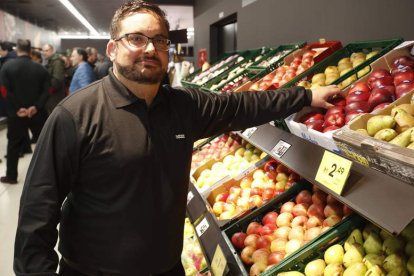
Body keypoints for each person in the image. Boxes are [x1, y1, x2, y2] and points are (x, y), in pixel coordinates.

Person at [13, 1, 341, 275]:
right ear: (112, 49)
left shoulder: (183, 106)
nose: (150, 49)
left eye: (159, 40)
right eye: (136, 39)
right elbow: (37, 214)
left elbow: (241, 104)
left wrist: (305, 95)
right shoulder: (75, 115)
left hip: (167, 268)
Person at [0, 39, 49, 184]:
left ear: (17, 50)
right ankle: (45, 178)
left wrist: (17, 108)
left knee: (13, 144)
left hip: (16, 114)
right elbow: (48, 90)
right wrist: (36, 107)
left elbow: (3, 90)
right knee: (43, 145)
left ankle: (11, 176)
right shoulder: (41, 69)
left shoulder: (7, 67)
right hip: (37, 114)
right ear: (30, 51)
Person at [42, 43, 66, 115]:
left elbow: (57, 80)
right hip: (51, 98)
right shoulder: (51, 62)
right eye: (43, 51)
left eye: (46, 51)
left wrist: (46, 91)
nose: (44, 53)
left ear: (52, 51)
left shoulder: (57, 62)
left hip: (55, 98)